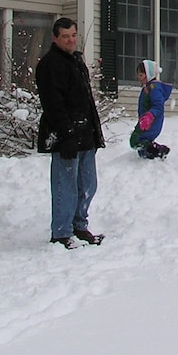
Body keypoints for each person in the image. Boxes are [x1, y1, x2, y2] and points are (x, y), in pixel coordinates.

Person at [35, 17, 105, 247]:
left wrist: (94, 132)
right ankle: (62, 232)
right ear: (55, 38)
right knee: (65, 185)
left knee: (87, 184)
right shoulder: (50, 64)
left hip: (85, 134)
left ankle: (79, 225)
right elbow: (53, 103)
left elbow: (85, 99)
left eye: (74, 35)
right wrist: (65, 133)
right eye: (65, 36)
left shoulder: (76, 61)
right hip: (65, 136)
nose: (71, 40)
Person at [129, 58, 172, 159]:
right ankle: (153, 155)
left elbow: (158, 106)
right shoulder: (149, 87)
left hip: (151, 121)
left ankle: (158, 151)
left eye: (141, 75)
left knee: (136, 141)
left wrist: (150, 115)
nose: (139, 78)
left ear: (148, 74)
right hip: (146, 120)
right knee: (140, 145)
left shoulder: (154, 88)